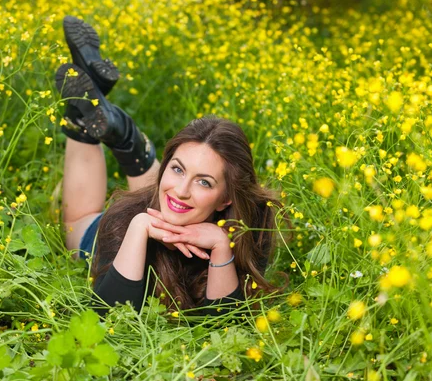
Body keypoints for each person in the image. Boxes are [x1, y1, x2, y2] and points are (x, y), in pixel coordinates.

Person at [57, 16, 287, 316]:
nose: (181, 189)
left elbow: (224, 328)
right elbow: (111, 317)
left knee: (173, 199)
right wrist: (139, 227)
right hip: (124, 228)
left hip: (169, 212)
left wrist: (221, 245)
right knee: (78, 223)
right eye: (176, 168)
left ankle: (122, 132)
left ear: (227, 198)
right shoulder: (124, 221)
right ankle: (93, 123)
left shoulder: (248, 229)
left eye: (204, 181)